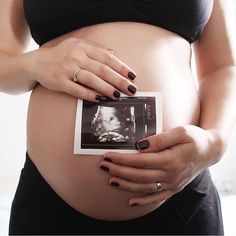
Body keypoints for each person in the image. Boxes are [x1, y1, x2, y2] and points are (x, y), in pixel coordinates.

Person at [0, 0, 235, 234]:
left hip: (180, 194)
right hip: (49, 205)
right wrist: (34, 63)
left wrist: (215, 142)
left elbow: (222, 67)